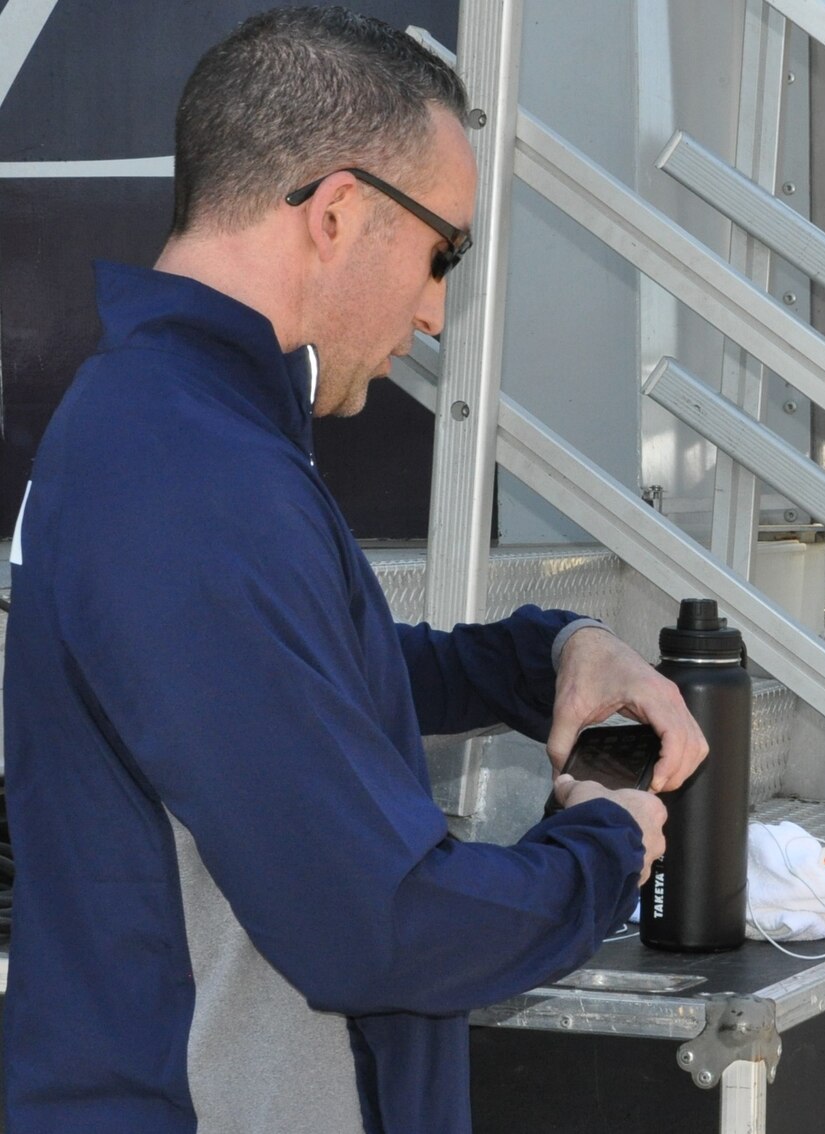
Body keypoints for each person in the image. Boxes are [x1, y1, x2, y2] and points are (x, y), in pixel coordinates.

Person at [3, 9, 708, 1133]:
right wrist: (606, 844)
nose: (435, 311)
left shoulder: (175, 429)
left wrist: (546, 657)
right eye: (442, 254)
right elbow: (383, 928)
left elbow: (297, 684)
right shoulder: (189, 474)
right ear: (336, 212)